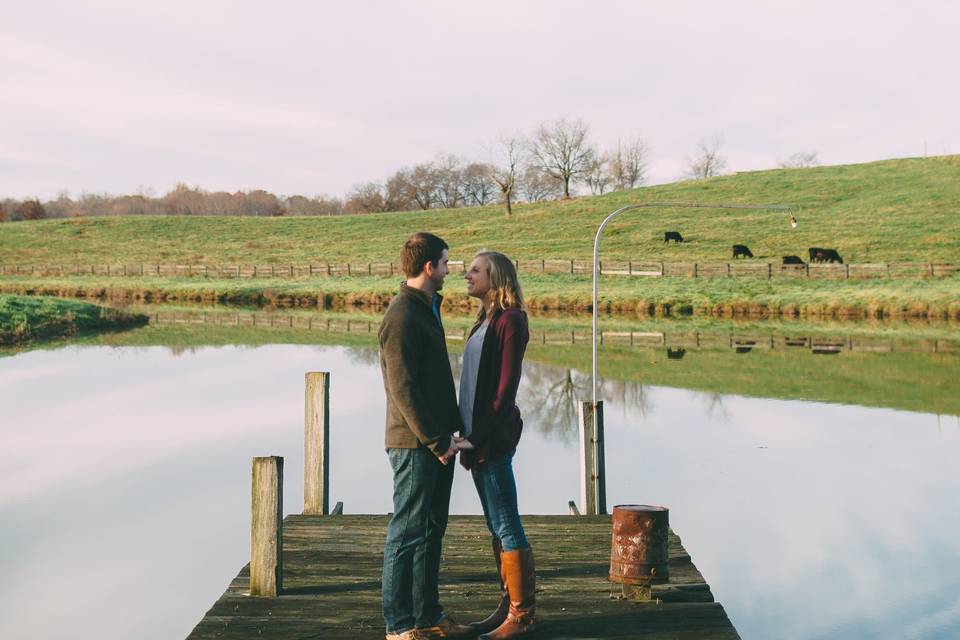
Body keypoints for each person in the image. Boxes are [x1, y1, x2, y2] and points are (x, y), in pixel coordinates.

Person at [378, 232, 473, 640]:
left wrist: (452, 435)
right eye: (447, 263)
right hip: (415, 445)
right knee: (407, 533)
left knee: (432, 531)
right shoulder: (401, 314)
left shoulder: (427, 308)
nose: (451, 270)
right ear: (429, 266)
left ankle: (427, 615)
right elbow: (403, 388)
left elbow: (432, 383)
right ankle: (399, 626)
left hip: (437, 442)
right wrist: (437, 442)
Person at [454, 251, 537, 639]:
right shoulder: (483, 321)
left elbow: (503, 393)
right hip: (475, 439)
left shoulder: (511, 322)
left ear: (495, 277)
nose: (466, 275)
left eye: (475, 270)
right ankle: (507, 607)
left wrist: (477, 436)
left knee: (506, 524)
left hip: (491, 440)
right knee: (495, 524)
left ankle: (522, 616)